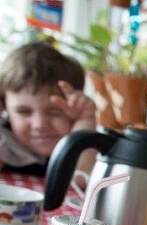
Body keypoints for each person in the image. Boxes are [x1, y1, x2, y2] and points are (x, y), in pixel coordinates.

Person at [0, 41, 96, 178]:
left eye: (54, 112)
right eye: (23, 111)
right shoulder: (5, 142)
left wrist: (85, 119)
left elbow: (79, 179)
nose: (39, 125)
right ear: (4, 107)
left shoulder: (78, 144)